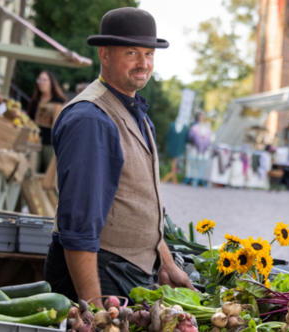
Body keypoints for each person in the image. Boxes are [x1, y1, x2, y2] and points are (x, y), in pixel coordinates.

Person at [44, 8, 194, 307]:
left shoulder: (134, 110)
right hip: (98, 275)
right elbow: (78, 225)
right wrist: (95, 308)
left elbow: (137, 203)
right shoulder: (92, 119)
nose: (143, 64)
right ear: (105, 54)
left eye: (149, 54)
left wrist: (165, 262)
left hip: (127, 273)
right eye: (131, 53)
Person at [27, 71, 69, 173]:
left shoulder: (59, 101)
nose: (41, 82)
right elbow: (29, 120)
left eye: (44, 80)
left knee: (48, 174)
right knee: (32, 171)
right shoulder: (35, 101)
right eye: (39, 80)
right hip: (34, 140)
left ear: (51, 83)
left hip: (50, 143)